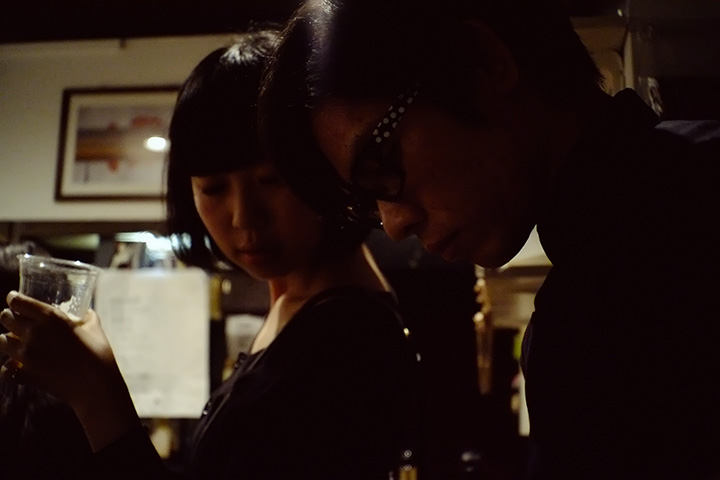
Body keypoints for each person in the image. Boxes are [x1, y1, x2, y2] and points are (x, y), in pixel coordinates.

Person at [258, 1, 720, 479]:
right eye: (365, 201)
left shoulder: (643, 265)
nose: (393, 224)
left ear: (481, 59)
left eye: (381, 161)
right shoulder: (666, 201)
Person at [0, 29, 417, 480]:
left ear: (320, 167)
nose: (243, 218)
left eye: (271, 180)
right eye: (213, 188)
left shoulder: (348, 335)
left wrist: (95, 393)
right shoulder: (295, 305)